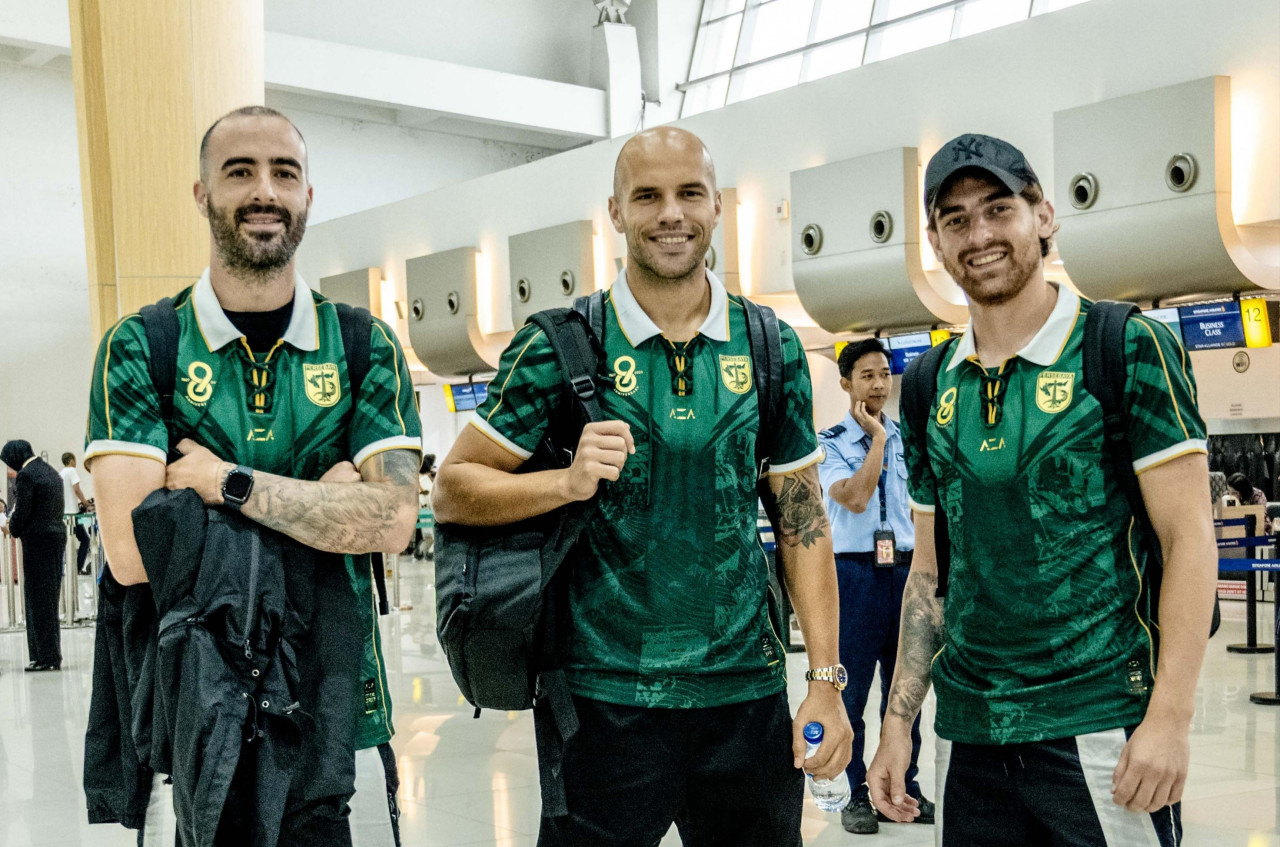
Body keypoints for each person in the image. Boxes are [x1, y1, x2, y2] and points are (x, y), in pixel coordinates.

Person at [433, 125, 853, 846]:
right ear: (616, 212)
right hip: (603, 700)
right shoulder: (562, 342)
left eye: (689, 193)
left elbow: (801, 520)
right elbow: (453, 488)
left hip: (744, 697)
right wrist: (565, 482)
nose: (670, 213)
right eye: (647, 196)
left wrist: (825, 678)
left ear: (716, 206)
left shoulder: (768, 343)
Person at [867, 134, 1217, 845]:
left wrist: (1170, 720)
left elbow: (1190, 539)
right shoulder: (931, 383)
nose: (980, 234)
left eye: (999, 208)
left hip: (1097, 726)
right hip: (968, 734)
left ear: (1044, 216)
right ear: (935, 242)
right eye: (956, 219)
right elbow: (931, 571)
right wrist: (899, 721)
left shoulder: (1123, 345)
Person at [86, 105, 420, 846]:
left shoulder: (364, 345)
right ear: (202, 194)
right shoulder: (144, 347)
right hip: (201, 700)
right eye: (240, 172)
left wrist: (221, 483)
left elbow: (392, 522)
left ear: (308, 195)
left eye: (284, 172)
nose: (264, 189)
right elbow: (134, 551)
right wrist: (327, 500)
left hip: (332, 695)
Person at [818, 338, 932, 835]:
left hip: (905, 572)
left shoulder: (911, 437)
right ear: (846, 383)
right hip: (855, 576)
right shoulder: (828, 442)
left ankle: (903, 785)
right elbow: (857, 499)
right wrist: (878, 443)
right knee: (854, 690)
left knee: (905, 689)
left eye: (884, 374)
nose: (879, 384)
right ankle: (854, 792)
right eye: (866, 375)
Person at [2, 440, 66, 671]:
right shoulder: (49, 471)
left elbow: (23, 509)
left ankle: (44, 657)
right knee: (49, 599)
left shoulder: (27, 475)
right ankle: (50, 654)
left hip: (38, 542)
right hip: (55, 538)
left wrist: (13, 527)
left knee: (38, 600)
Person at [60, 453, 93, 574]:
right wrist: (86, 504)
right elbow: (76, 489)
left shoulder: (61, 473)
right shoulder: (72, 471)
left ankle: (64, 569)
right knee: (85, 540)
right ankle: (78, 568)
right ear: (72, 460)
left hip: (64, 513)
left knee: (66, 542)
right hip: (73, 514)